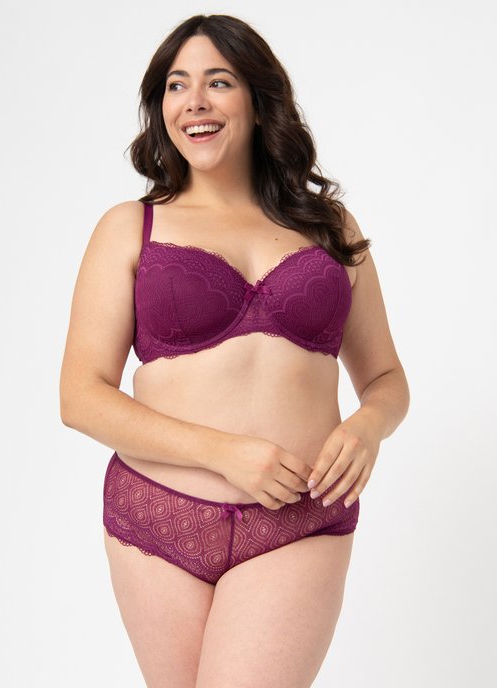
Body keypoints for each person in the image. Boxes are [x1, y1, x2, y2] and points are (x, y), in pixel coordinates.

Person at [59, 13, 410, 688]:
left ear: (257, 97)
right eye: (176, 85)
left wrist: (367, 427)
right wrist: (224, 453)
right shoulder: (130, 227)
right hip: (158, 515)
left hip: (297, 516)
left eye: (217, 82)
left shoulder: (330, 227)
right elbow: (80, 396)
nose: (193, 101)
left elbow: (387, 377)